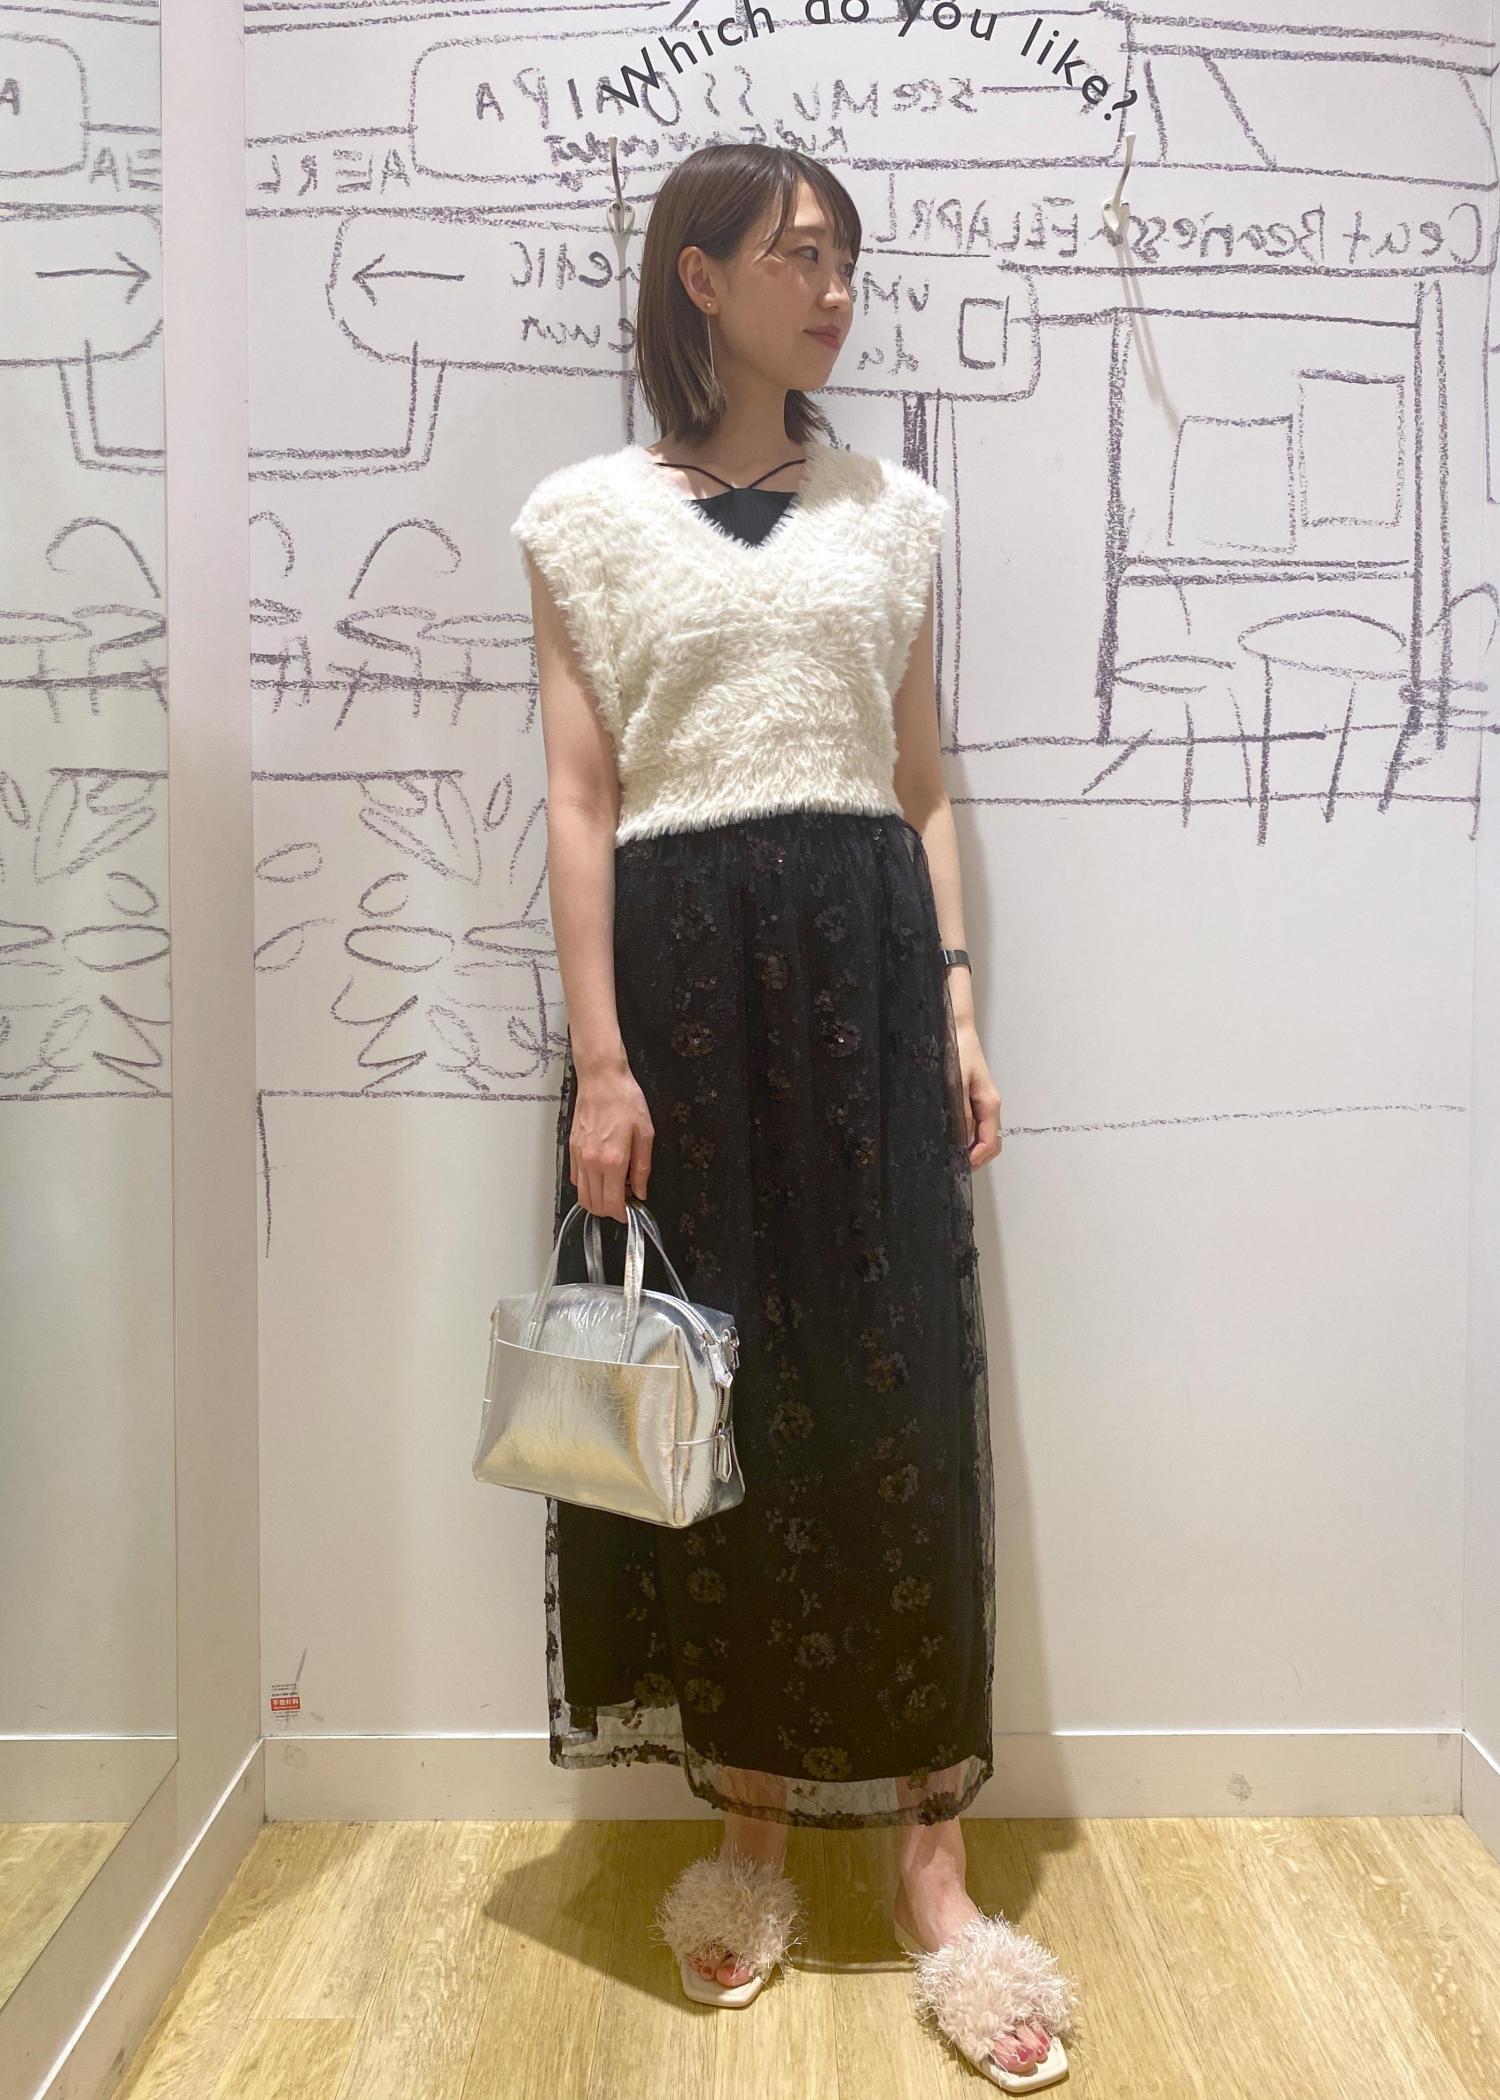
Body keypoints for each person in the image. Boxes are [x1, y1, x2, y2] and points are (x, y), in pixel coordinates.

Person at [511, 142, 1079, 2089]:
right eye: (800, 257)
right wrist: (602, 1060)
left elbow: (919, 783)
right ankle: (747, 1831)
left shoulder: (894, 516)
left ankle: (933, 1866)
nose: (835, 293)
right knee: (718, 1404)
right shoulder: (580, 520)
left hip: (867, 971)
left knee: (896, 1389)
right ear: (700, 277)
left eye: (846, 261)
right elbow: (580, 799)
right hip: (679, 987)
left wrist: (960, 1005)